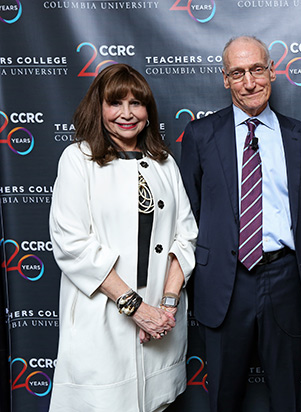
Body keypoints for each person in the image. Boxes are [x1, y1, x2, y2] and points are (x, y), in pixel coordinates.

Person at [179, 36, 301, 412]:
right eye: (237, 73)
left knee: (286, 395)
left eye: (257, 69)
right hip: (225, 281)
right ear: (225, 79)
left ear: (272, 72)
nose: (249, 82)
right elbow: (188, 212)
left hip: (285, 278)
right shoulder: (200, 135)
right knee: (223, 396)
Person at [48, 63, 198, 412]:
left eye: (137, 103)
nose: (127, 114)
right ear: (98, 108)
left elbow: (186, 236)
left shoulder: (164, 163)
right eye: (116, 103)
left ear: (148, 111)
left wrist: (165, 307)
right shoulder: (78, 160)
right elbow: (72, 245)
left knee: (155, 402)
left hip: (160, 324)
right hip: (103, 318)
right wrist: (135, 307)